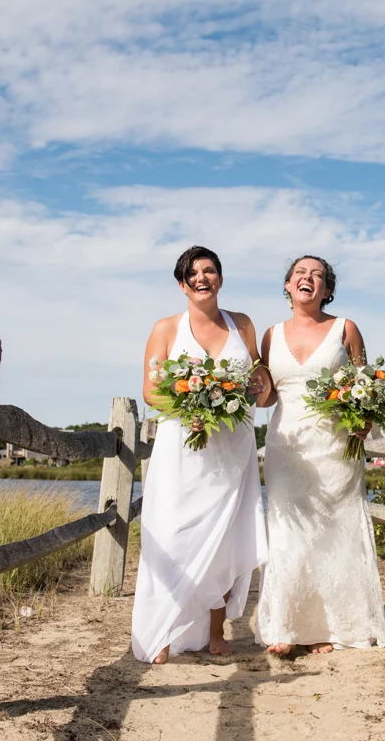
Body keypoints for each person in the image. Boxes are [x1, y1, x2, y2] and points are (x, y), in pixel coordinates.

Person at [130, 246, 270, 664]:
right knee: (173, 534)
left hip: (232, 447)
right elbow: (151, 390)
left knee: (224, 539)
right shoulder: (166, 329)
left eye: (210, 271)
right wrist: (191, 409)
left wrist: (254, 388)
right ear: (182, 284)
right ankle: (161, 631)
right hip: (182, 447)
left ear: (221, 279)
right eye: (193, 273)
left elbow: (258, 378)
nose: (202, 278)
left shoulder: (242, 324)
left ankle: (215, 631)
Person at [255, 254, 385, 655]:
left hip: (335, 445)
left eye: (317, 275)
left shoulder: (345, 328)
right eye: (300, 273)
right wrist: (226, 391)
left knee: (333, 532)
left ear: (327, 290)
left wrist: (365, 418)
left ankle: (331, 628)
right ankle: (285, 626)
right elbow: (267, 397)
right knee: (287, 531)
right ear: (287, 286)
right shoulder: (270, 334)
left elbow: (365, 384)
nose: (307, 278)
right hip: (286, 445)